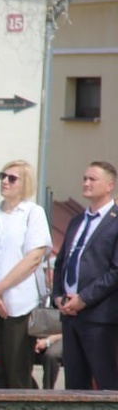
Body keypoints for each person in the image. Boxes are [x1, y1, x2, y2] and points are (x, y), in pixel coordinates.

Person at [0, 160, 51, 389]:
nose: (5, 181)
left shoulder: (33, 213)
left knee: (17, 368)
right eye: (2, 176)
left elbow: (33, 258)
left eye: (12, 178)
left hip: (18, 301)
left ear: (25, 183)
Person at [52, 161, 118, 389]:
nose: (86, 183)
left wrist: (84, 299)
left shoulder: (115, 222)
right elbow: (61, 262)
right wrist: (58, 296)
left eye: (92, 179)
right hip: (70, 315)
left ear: (109, 186)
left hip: (100, 318)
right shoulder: (77, 221)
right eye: (84, 178)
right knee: (75, 384)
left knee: (106, 382)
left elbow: (115, 271)